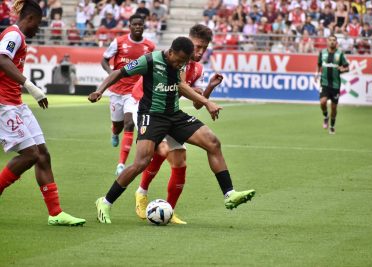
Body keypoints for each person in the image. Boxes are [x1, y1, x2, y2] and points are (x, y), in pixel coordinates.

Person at [89, 36, 256, 224]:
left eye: (184, 62)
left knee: (213, 142)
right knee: (141, 162)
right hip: (151, 116)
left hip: (174, 115)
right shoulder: (149, 60)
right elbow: (118, 73)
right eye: (178, 61)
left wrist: (207, 102)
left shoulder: (180, 64)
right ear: (170, 52)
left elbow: (181, 87)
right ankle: (105, 201)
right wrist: (100, 90)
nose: (180, 65)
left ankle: (229, 194)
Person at [0, 0, 85, 226]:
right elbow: (1, 59)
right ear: (29, 19)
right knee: (30, 155)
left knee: (43, 154)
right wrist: (30, 85)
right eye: (38, 23)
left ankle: (56, 213)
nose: (39, 27)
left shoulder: (20, 37)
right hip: (3, 105)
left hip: (15, 103)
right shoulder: (13, 34)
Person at [134, 24, 224, 224]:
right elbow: (180, 87)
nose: (199, 52)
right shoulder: (172, 60)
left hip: (167, 114)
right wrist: (206, 101)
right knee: (162, 149)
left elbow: (195, 103)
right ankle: (141, 194)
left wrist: (208, 89)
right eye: (197, 46)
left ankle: (168, 210)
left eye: (203, 48)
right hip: (142, 107)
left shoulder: (196, 68)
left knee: (180, 159)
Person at [89, 14, 155, 175]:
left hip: (135, 93)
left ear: (144, 26)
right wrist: (112, 73)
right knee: (118, 125)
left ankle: (121, 164)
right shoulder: (119, 42)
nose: (138, 27)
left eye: (141, 24)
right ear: (130, 26)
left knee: (129, 123)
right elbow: (104, 60)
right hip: (116, 90)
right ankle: (114, 132)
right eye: (135, 24)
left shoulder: (150, 46)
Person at [315, 35, 349, 135]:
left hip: (335, 85)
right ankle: (326, 116)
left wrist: (342, 69)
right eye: (330, 40)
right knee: (322, 102)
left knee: (334, 108)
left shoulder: (340, 54)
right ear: (327, 42)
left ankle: (332, 126)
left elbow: (347, 68)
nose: (332, 42)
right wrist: (316, 74)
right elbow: (319, 65)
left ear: (336, 42)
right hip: (324, 83)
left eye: (334, 40)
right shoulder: (322, 53)